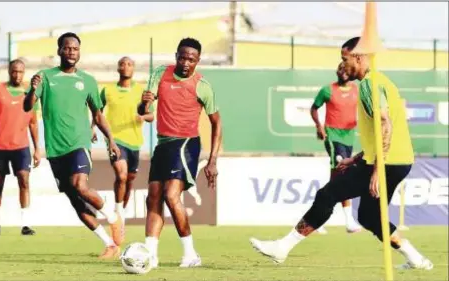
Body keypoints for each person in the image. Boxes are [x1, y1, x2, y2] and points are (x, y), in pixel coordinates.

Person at [250, 37, 433, 270]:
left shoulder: (369, 84)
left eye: (344, 59)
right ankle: (416, 259)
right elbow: (380, 130)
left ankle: (282, 248)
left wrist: (377, 170)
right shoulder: (379, 81)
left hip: (387, 163)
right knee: (368, 218)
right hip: (395, 161)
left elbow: (385, 125)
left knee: (328, 194)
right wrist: (356, 159)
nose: (342, 65)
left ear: (358, 57)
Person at [23, 32, 124, 259]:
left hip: (79, 144)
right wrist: (32, 89)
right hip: (55, 150)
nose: (71, 52)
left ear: (79, 52)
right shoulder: (45, 77)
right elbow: (27, 106)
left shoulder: (87, 80)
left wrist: (111, 140)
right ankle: (109, 244)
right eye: (67, 48)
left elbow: (98, 115)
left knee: (80, 185)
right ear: (59, 51)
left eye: (75, 49)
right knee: (75, 200)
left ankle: (113, 217)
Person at [138, 37, 222, 268]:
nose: (186, 62)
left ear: (198, 61)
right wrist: (144, 103)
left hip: (186, 143)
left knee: (171, 195)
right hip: (163, 144)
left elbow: (216, 122)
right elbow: (144, 109)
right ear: (176, 56)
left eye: (191, 59)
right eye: (183, 57)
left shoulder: (202, 85)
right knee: (153, 195)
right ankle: (150, 255)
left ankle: (190, 254)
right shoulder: (160, 73)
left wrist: (212, 160)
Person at [92, 56, 154, 231]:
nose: (125, 66)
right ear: (118, 68)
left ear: (133, 68)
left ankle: (122, 210)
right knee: (121, 176)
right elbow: (97, 110)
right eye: (122, 64)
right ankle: (118, 216)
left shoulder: (142, 92)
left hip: (135, 142)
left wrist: (143, 116)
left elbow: (151, 116)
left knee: (129, 180)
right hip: (115, 140)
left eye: (129, 64)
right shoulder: (108, 90)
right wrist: (92, 128)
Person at [310, 62, 362, 234]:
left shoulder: (357, 89)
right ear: (337, 71)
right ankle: (349, 221)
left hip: (349, 136)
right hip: (333, 136)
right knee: (343, 174)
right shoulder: (327, 90)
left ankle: (317, 217)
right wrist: (319, 126)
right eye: (340, 69)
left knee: (337, 180)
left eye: (346, 69)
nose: (343, 71)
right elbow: (314, 108)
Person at [0, 59, 41, 236]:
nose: (17, 75)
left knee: (24, 180)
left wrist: (37, 149)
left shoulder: (30, 93)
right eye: (14, 71)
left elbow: (34, 123)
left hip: (21, 147)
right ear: (9, 71)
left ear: (24, 72)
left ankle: (25, 224)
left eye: (20, 72)